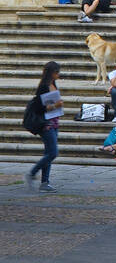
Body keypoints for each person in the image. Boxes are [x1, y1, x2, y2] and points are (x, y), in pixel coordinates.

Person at [25, 60, 62, 192]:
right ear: (52, 73)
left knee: (48, 152)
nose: (58, 74)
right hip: (46, 123)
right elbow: (41, 108)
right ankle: (32, 173)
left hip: (54, 121)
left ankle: (45, 182)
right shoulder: (43, 87)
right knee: (53, 152)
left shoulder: (53, 84)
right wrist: (55, 105)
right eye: (57, 72)